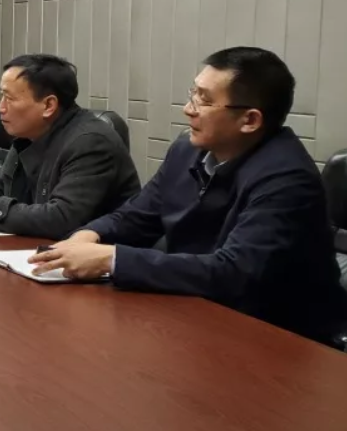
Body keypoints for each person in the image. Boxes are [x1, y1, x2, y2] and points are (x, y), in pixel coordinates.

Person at [30, 47, 347, 345]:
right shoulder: (187, 151)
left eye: (204, 101)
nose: (188, 109)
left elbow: (233, 272)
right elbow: (137, 216)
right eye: (193, 94)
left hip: (280, 338)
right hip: (198, 316)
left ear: (250, 120)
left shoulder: (287, 178)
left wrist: (109, 259)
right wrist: (90, 235)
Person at [0, 54, 139, 239]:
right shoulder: (29, 135)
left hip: (95, 263)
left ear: (48, 105)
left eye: (9, 98)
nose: (0, 108)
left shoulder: (91, 142)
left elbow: (61, 218)